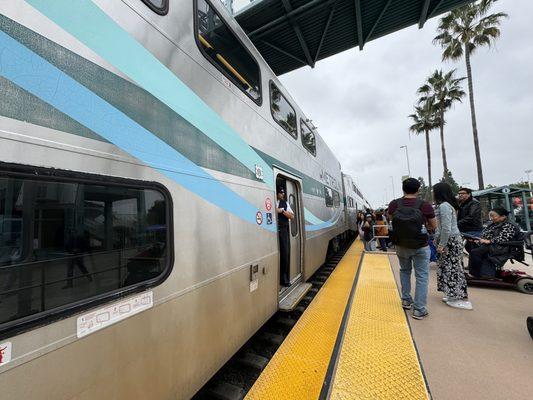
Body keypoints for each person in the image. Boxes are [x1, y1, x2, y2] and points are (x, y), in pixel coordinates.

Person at [388, 178, 437, 320]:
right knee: (421, 276)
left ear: (403, 188)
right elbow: (434, 225)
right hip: (420, 245)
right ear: (418, 189)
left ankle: (406, 299)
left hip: (401, 244)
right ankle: (419, 309)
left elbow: (392, 220)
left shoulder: (394, 204)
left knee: (404, 271)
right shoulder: (424, 205)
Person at [433, 183, 472, 310]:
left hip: (450, 241)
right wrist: (436, 239)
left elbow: (446, 228)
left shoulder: (444, 206)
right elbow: (442, 227)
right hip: (452, 240)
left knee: (452, 268)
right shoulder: (447, 205)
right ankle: (452, 293)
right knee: (450, 267)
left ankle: (455, 296)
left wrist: (441, 244)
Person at [467, 207, 521, 278]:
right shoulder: (494, 223)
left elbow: (504, 238)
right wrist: (478, 239)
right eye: (490, 216)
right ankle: (480, 272)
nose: (491, 218)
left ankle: (475, 274)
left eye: (493, 216)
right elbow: (485, 234)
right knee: (470, 245)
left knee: (475, 252)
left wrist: (489, 241)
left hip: (501, 247)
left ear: (503, 216)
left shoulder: (509, 225)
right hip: (492, 245)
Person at [276, 186, 294, 287]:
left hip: (283, 231)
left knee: (285, 255)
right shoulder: (271, 201)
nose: (283, 194)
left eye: (283, 192)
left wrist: (282, 211)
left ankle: (284, 279)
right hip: (272, 231)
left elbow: (292, 216)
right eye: (281, 192)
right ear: (277, 193)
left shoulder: (285, 203)